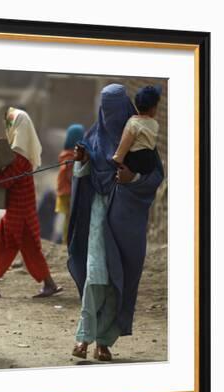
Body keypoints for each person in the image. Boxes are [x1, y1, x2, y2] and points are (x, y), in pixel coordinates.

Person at [68, 84, 164, 361]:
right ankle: (83, 338)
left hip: (125, 221)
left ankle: (104, 342)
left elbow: (155, 176)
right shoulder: (93, 138)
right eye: (105, 110)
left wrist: (131, 179)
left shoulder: (140, 137)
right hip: (98, 216)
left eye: (115, 110)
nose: (110, 117)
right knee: (96, 275)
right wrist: (82, 162)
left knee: (116, 281)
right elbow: (84, 174)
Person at [0, 107, 62, 298]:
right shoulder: (19, 154)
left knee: (22, 248)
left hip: (20, 215)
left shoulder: (19, 157)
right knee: (5, 242)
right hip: (20, 211)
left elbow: (6, 182)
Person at [112, 85, 162, 175]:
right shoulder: (155, 124)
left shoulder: (133, 123)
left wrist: (117, 159)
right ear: (153, 109)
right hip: (149, 166)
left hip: (134, 164)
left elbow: (124, 145)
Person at [54, 124, 85, 244]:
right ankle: (67, 241)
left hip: (63, 191)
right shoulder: (72, 156)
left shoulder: (64, 153)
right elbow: (69, 175)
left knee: (68, 218)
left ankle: (66, 240)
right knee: (70, 219)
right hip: (69, 192)